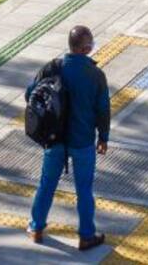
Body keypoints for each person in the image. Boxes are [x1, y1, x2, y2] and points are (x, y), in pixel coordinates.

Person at [25, 24, 110, 251]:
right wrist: (103, 137)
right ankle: (86, 236)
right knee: (84, 190)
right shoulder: (96, 75)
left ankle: (36, 228)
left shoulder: (53, 67)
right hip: (82, 141)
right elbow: (103, 109)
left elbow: (30, 93)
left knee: (47, 184)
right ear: (86, 48)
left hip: (55, 139)